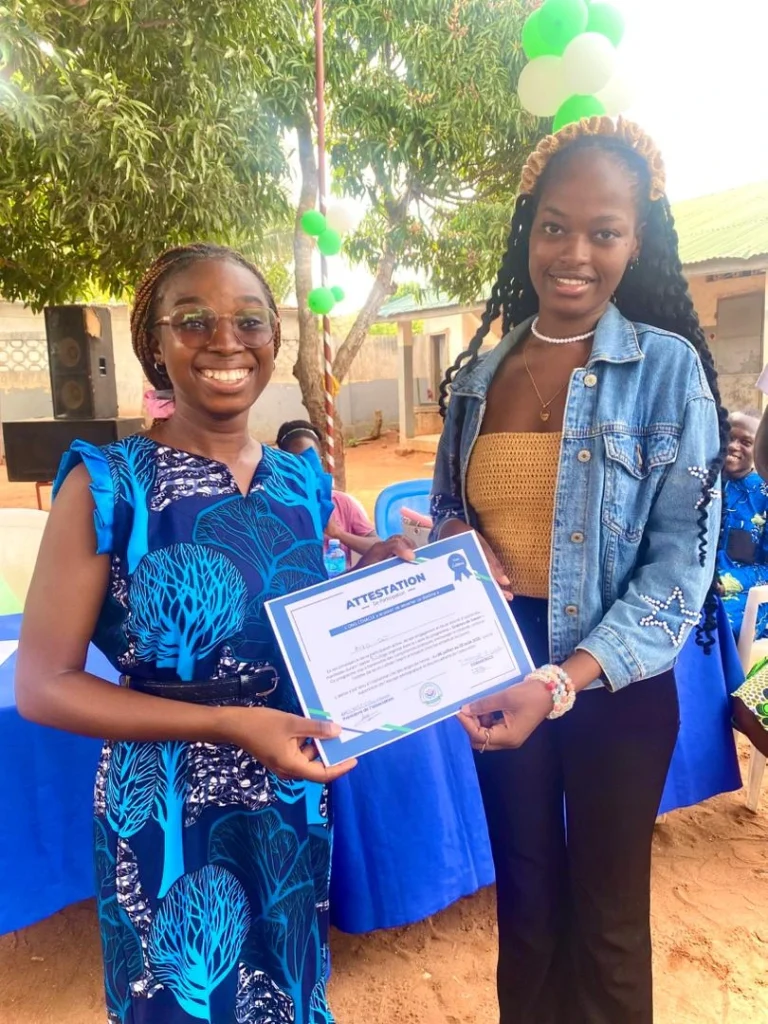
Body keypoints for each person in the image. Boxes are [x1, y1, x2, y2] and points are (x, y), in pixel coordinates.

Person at [15, 243, 408, 1024]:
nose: (225, 341)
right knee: (184, 999)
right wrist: (226, 724)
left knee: (284, 991)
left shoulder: (301, 481)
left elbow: (287, 622)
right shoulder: (108, 485)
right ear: (153, 344)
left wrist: (386, 574)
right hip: (164, 803)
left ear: (274, 340)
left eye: (249, 322)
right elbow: (42, 686)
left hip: (288, 788)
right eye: (193, 321)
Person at [430, 118, 728, 1024]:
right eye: (555, 226)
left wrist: (562, 681)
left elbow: (679, 569)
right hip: (496, 662)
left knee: (607, 921)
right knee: (525, 906)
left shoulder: (668, 372)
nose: (575, 254)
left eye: (605, 232)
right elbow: (448, 509)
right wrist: (455, 534)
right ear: (529, 227)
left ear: (637, 242)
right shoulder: (478, 377)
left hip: (615, 679)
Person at [276, 419, 381, 567]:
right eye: (298, 463)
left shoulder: (342, 503)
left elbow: (379, 547)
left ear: (320, 461)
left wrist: (338, 533)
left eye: (310, 461)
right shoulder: (276, 509)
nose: (306, 470)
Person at [718, 411, 768, 638]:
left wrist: (728, 582)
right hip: (694, 585)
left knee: (711, 625)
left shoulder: (764, 497)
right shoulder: (701, 484)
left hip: (746, 596)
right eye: (729, 437)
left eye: (746, 442)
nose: (733, 446)